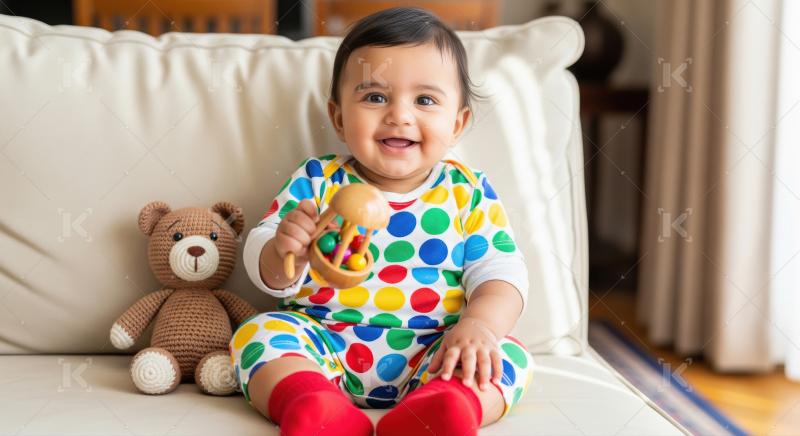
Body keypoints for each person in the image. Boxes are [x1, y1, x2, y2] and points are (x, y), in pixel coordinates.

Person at [230, 7, 534, 435]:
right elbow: (263, 255)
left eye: (425, 100)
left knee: (509, 356)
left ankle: (444, 407)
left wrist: (478, 326)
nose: (400, 115)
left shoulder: (467, 192)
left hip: (435, 349)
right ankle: (313, 405)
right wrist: (283, 252)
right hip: (322, 342)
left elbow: (501, 273)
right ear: (338, 117)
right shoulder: (318, 181)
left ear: (458, 123)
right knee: (257, 334)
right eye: (375, 97)